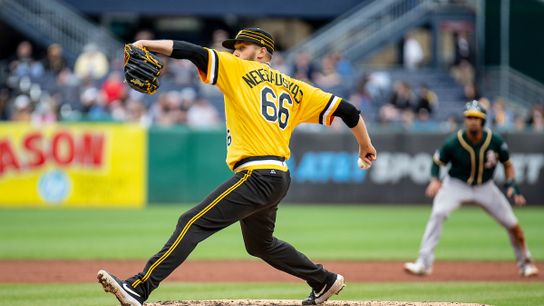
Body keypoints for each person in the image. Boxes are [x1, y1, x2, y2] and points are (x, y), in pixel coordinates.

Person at [97, 27, 377, 306]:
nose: (235, 52)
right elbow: (349, 111)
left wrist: (145, 42)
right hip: (278, 176)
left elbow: (190, 51)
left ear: (262, 52)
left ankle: (138, 288)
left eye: (242, 47)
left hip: (257, 174)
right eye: (235, 48)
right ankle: (324, 281)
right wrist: (365, 146)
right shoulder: (297, 88)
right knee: (260, 244)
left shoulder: (238, 68)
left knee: (191, 222)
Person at [404, 100, 539, 278]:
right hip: (456, 185)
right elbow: (437, 161)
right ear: (465, 120)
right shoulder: (455, 141)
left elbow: (507, 164)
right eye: (469, 117)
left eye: (476, 117)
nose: (473, 121)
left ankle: (526, 263)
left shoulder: (495, 140)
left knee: (512, 224)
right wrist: (435, 179)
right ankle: (423, 264)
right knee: (437, 214)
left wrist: (511, 184)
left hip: (485, 186)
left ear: (483, 120)